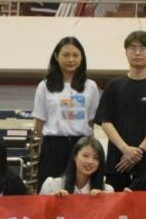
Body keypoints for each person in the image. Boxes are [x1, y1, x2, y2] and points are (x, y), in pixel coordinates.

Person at [95, 30, 146, 192]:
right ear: (126, 52)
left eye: (143, 48)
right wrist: (125, 149)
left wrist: (138, 152)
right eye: (132, 48)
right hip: (118, 162)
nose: (137, 52)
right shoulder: (114, 86)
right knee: (115, 206)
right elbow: (105, 121)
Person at [32, 36, 100, 189]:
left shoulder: (91, 86)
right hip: (53, 146)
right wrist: (44, 148)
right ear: (56, 56)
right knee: (50, 190)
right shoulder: (44, 86)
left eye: (75, 55)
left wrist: (89, 149)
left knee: (79, 190)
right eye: (66, 55)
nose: (71, 59)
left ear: (82, 57)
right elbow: (39, 123)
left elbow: (91, 121)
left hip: (81, 145)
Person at [40, 136, 113, 195]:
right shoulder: (52, 186)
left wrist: (103, 202)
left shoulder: (107, 191)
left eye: (96, 158)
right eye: (85, 155)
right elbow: (39, 208)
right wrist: (52, 201)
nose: (90, 161)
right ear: (75, 156)